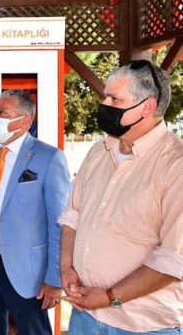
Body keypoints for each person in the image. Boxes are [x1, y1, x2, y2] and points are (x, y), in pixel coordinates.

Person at [59, 60, 183, 335]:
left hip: (142, 326)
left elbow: (172, 260)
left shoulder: (176, 165)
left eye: (114, 99)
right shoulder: (99, 152)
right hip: (85, 317)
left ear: (147, 107)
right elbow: (73, 216)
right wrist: (66, 267)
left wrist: (110, 297)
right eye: (106, 96)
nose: (103, 104)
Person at [0, 89, 71, 335]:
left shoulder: (49, 157)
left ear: (24, 121)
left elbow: (59, 223)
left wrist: (55, 278)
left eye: (2, 112)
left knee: (33, 331)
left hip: (26, 269)